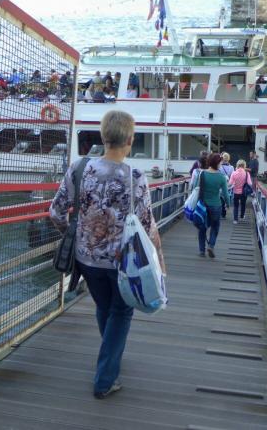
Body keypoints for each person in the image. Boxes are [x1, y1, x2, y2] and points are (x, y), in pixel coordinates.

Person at [49, 110, 163, 399]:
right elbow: (147, 225)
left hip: (86, 258)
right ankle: (104, 380)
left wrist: (74, 236)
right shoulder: (135, 176)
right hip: (121, 262)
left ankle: (110, 354)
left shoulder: (79, 168)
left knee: (104, 306)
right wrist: (159, 261)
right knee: (121, 312)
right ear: (130, 140)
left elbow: (56, 212)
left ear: (103, 137)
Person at [194, 153, 231, 258]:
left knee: (202, 227)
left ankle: (202, 251)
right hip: (216, 205)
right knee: (215, 226)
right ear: (217, 163)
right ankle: (211, 245)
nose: (221, 164)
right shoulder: (221, 177)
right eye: (220, 163)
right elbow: (225, 194)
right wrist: (228, 204)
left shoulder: (202, 174)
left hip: (203, 205)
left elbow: (195, 188)